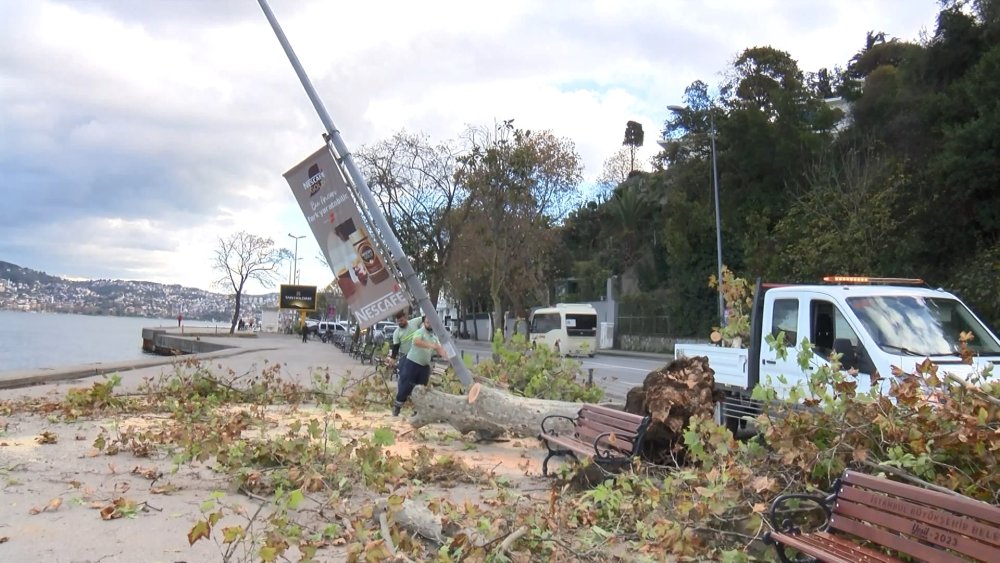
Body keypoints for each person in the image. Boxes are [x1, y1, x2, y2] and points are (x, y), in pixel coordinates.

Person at [392, 317, 444, 416]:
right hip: (412, 363)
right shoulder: (419, 332)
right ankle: (397, 406)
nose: (429, 324)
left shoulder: (434, 337)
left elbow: (440, 350)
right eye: (427, 322)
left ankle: (417, 411)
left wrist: (447, 356)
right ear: (424, 323)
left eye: (431, 322)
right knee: (405, 386)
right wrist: (432, 346)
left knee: (421, 389)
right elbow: (417, 342)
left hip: (424, 366)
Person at [390, 309, 422, 380]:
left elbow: (424, 318)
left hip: (417, 354)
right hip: (404, 356)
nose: (400, 323)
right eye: (398, 321)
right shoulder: (397, 332)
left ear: (405, 318)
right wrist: (393, 358)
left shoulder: (414, 322)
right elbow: (396, 347)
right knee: (403, 375)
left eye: (401, 320)